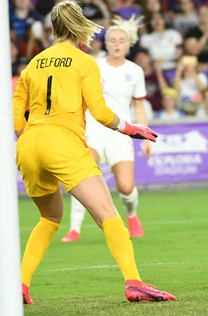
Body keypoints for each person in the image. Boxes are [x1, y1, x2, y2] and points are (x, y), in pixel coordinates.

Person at [13, 0, 175, 304]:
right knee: (108, 215)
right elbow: (100, 112)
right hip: (61, 142)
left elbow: (17, 117)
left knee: (49, 218)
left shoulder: (33, 63)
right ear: (78, 25)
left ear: (53, 28)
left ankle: (20, 285)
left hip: (29, 145)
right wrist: (131, 128)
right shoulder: (84, 62)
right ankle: (134, 282)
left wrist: (33, 138)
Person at [62, 15, 151, 243]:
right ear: (107, 43)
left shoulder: (135, 71)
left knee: (125, 186)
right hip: (93, 129)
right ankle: (74, 228)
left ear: (128, 43)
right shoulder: (94, 66)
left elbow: (138, 106)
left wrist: (146, 135)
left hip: (121, 132)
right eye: (113, 39)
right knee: (83, 173)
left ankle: (131, 214)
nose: (117, 43)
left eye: (121, 40)